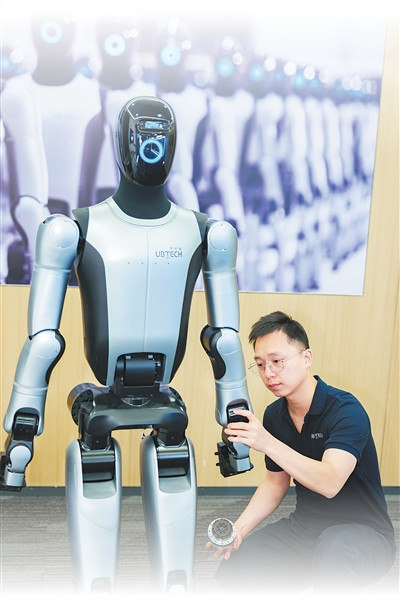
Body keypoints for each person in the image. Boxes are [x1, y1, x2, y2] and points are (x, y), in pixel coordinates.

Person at [208, 310, 396, 593]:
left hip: (364, 535)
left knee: (334, 551)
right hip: (307, 529)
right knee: (237, 566)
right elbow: (275, 484)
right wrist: (239, 530)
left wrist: (267, 442)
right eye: (260, 365)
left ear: (306, 358)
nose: (268, 373)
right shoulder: (275, 415)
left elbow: (330, 482)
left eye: (277, 361)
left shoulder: (346, 410)